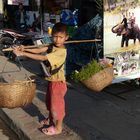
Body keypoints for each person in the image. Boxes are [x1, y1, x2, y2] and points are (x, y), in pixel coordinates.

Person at [13, 22, 69, 135]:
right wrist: (24, 48)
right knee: (50, 103)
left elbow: (42, 57)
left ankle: (58, 128)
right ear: (51, 36)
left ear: (66, 38)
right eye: (55, 36)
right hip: (51, 81)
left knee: (57, 106)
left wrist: (22, 54)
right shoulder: (52, 46)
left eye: (61, 37)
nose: (57, 40)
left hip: (58, 84)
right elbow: (39, 50)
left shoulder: (61, 52)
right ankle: (50, 119)